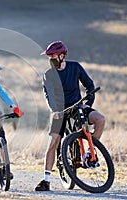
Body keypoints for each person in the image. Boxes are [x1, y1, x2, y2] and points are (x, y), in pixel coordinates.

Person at [34, 41, 106, 191]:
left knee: (100, 119)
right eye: (49, 57)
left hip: (77, 105)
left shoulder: (75, 67)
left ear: (62, 56)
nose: (51, 59)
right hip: (59, 110)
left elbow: (90, 86)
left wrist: (88, 104)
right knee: (54, 141)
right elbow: (49, 96)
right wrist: (54, 110)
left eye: (53, 56)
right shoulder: (48, 75)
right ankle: (46, 180)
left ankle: (88, 154)